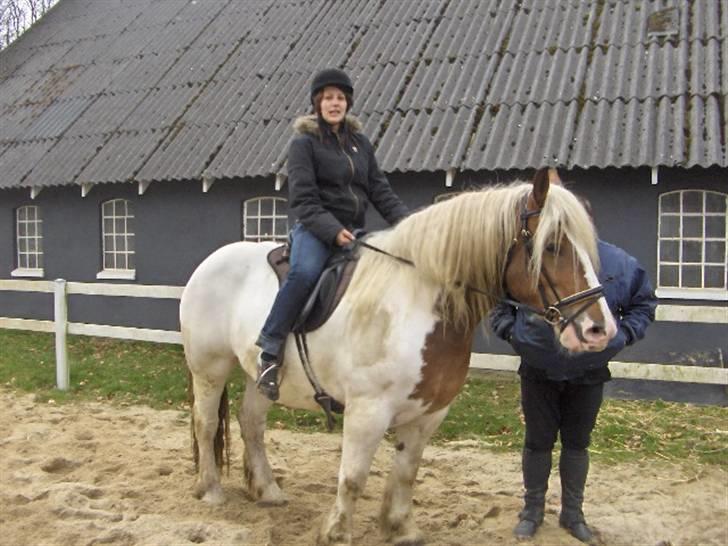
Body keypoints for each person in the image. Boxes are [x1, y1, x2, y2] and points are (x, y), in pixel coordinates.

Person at [255, 68, 408, 401]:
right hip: (316, 228)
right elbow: (303, 200)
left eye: (340, 98)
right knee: (303, 274)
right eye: (328, 98)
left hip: (355, 231)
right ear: (317, 103)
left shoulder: (361, 145)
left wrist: (409, 228)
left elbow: (380, 191)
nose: (334, 104)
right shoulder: (304, 144)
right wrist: (332, 231)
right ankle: (269, 350)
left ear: (348, 103)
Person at [490, 238, 657, 543]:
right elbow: (500, 302)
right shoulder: (533, 260)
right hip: (539, 368)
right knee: (537, 442)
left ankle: (573, 514)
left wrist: (624, 335)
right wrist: (512, 333)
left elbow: (643, 304)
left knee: (577, 444)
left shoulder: (618, 262)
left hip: (588, 372)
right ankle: (532, 512)